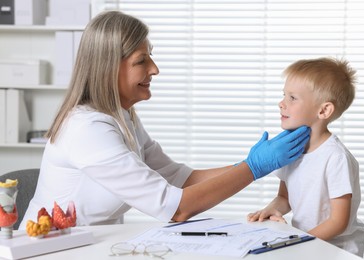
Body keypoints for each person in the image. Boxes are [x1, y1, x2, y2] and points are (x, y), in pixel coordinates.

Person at [20, 11, 310, 229]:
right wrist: (254, 167)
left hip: (90, 246)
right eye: (141, 61)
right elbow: (174, 208)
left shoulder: (122, 116)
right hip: (50, 250)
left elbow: (179, 178)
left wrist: (249, 162)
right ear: (109, 67)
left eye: (151, 57)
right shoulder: (87, 129)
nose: (155, 69)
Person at [247, 57, 364, 256]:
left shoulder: (335, 158)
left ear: (324, 110)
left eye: (292, 98)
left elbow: (338, 221)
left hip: (338, 250)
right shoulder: (291, 151)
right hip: (308, 243)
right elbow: (284, 197)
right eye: (283, 95)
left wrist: (300, 241)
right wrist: (271, 209)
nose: (281, 103)